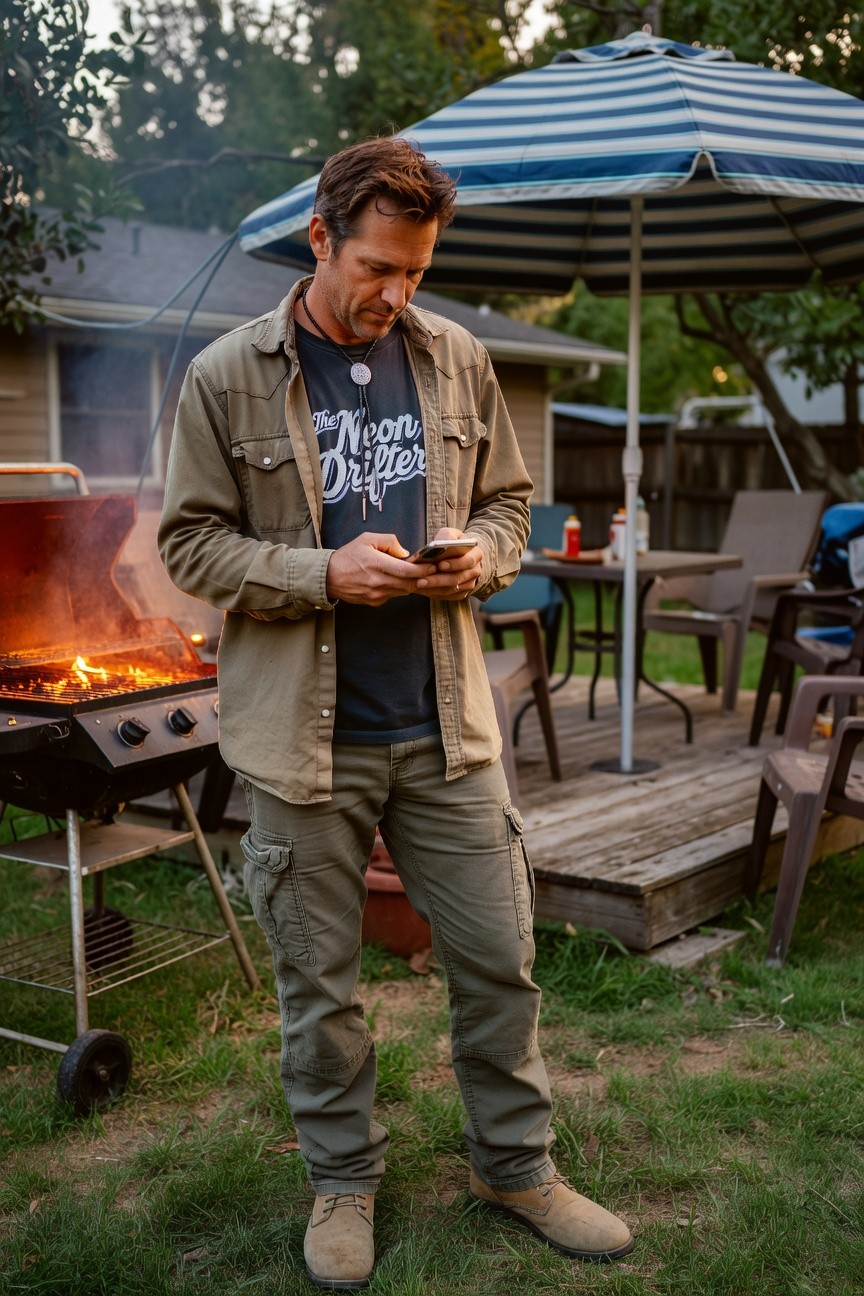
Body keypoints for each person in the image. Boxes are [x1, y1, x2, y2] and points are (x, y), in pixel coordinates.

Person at [159, 136, 634, 1290]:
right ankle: (342, 1182)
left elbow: (511, 502)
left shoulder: (457, 357)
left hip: (447, 731)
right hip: (301, 742)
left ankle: (515, 1168)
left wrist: (486, 554)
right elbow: (189, 545)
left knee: (500, 961)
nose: (397, 294)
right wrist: (321, 572)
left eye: (417, 271)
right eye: (378, 267)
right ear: (321, 239)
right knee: (318, 989)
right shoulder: (226, 374)